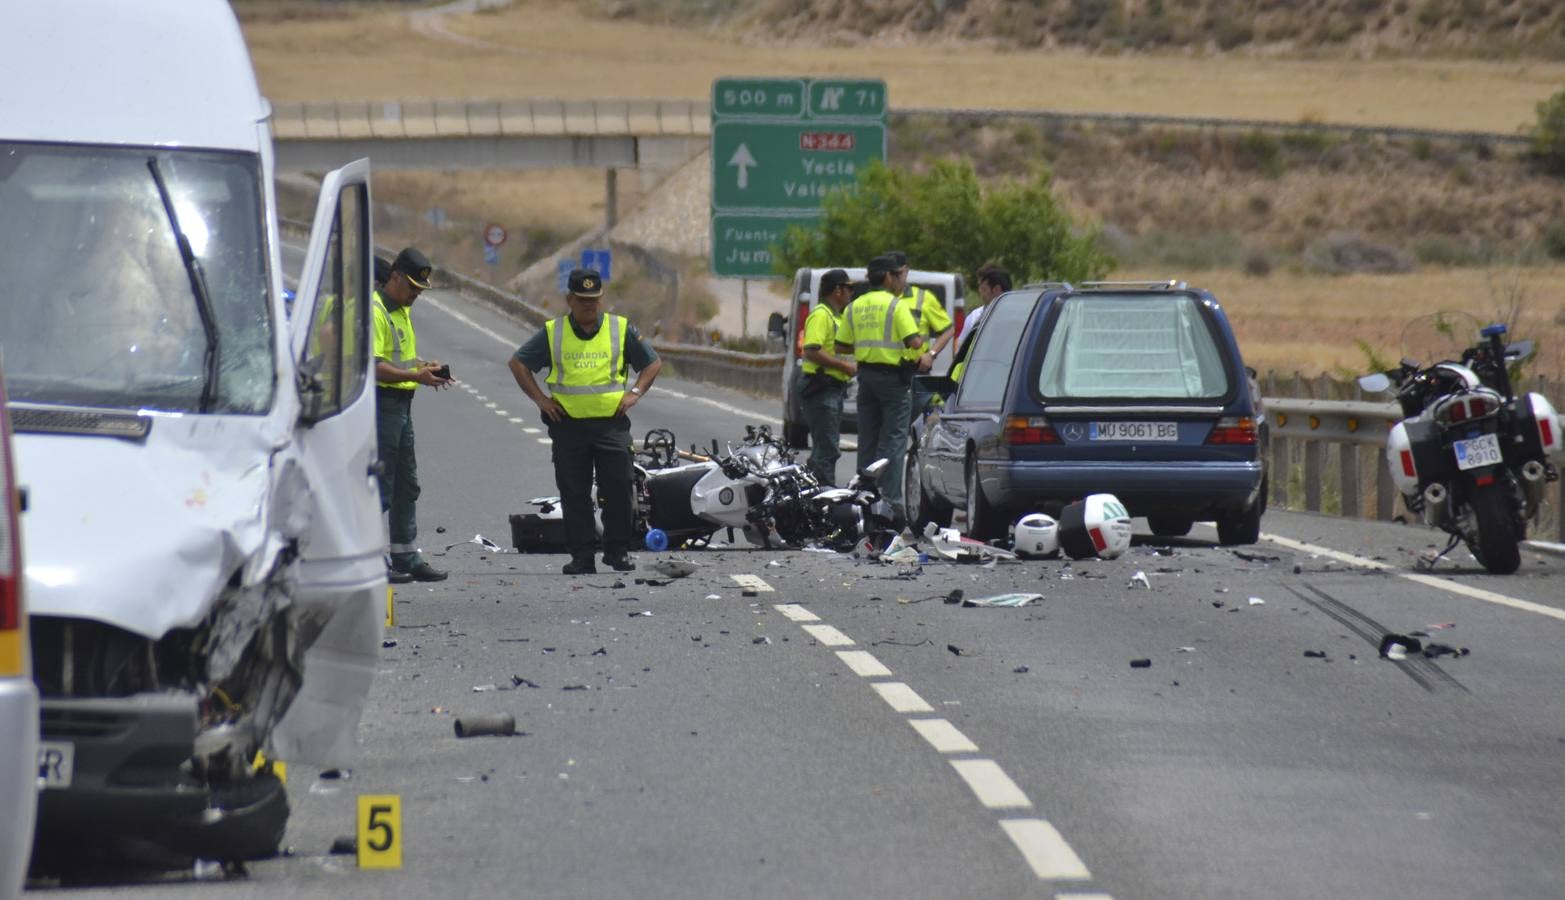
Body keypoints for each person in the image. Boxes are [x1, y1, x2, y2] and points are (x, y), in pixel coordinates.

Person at [509, 268, 663, 575]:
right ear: (569, 299)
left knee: (619, 489)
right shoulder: (554, 332)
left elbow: (652, 363)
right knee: (574, 494)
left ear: (601, 299)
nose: (588, 305)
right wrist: (542, 400)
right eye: (581, 300)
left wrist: (634, 393)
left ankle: (617, 553)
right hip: (569, 427)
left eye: (593, 299)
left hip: (610, 426)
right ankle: (582, 557)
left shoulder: (620, 329)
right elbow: (518, 364)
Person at [373, 246, 453, 584]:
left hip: (402, 406)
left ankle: (405, 554)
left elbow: (399, 358)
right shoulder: (375, 310)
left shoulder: (400, 309)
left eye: (420, 290)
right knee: (380, 486)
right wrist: (413, 376)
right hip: (380, 404)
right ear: (393, 277)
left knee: (408, 484)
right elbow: (372, 365)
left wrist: (424, 368)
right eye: (411, 288)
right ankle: (367, 558)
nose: (415, 295)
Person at [835, 255, 923, 506]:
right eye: (897, 276)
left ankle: (864, 499)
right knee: (894, 441)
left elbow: (840, 345)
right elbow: (915, 342)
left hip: (866, 378)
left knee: (868, 439)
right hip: (893, 380)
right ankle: (891, 502)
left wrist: (867, 348)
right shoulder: (896, 306)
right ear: (887, 277)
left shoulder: (855, 306)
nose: (900, 281)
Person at [797, 269, 857, 485]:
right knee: (827, 448)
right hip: (821, 388)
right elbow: (811, 349)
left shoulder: (836, 316)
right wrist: (844, 366)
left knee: (826, 447)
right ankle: (822, 494)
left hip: (832, 388)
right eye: (849, 288)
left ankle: (812, 491)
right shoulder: (821, 315)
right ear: (837, 290)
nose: (852, 293)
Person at [884, 250, 953, 422]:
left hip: (916, 372)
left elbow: (947, 329)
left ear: (906, 271)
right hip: (887, 372)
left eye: (897, 273)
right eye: (889, 274)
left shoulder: (923, 298)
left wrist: (931, 354)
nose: (893, 278)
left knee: (920, 426)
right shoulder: (879, 299)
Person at [957, 263, 1012, 347]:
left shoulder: (1019, 318)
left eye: (983, 289)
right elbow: (959, 350)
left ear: (996, 289)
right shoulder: (974, 318)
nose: (980, 292)